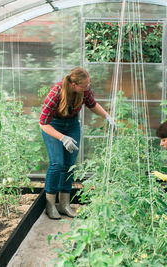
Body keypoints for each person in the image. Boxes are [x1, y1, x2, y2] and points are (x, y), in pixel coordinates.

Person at [39, 67, 116, 220]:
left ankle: (64, 204)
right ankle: (50, 205)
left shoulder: (84, 91)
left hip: (72, 125)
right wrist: (62, 138)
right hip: (53, 126)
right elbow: (43, 123)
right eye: (85, 85)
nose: (88, 87)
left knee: (69, 165)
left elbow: (92, 104)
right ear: (74, 84)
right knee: (57, 164)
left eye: (88, 84)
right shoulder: (56, 93)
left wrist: (107, 116)